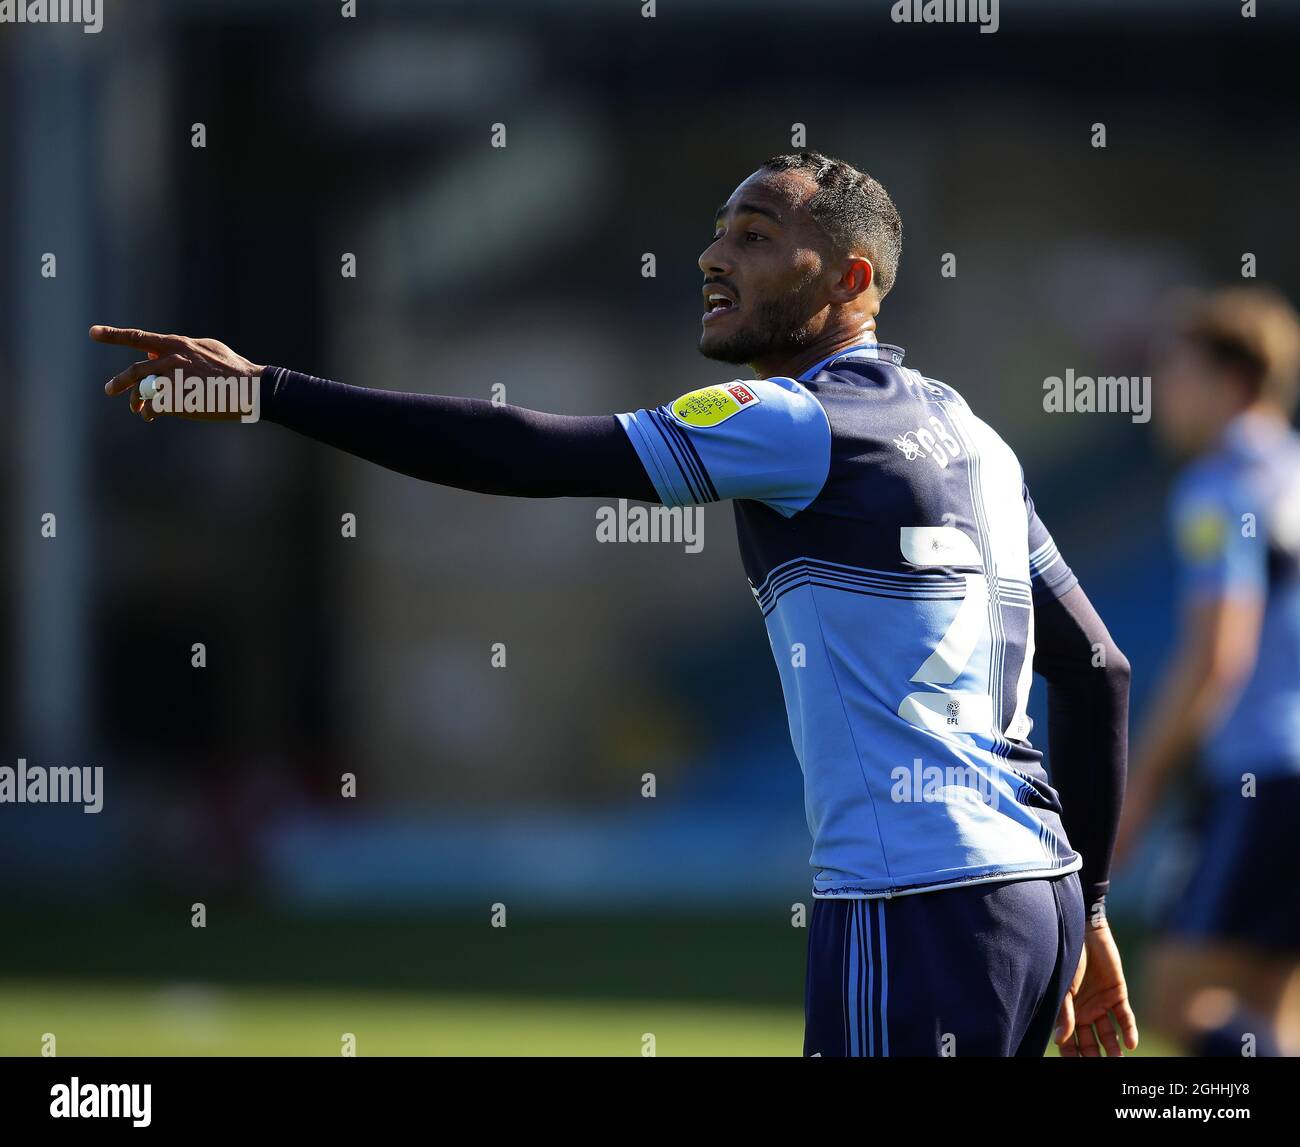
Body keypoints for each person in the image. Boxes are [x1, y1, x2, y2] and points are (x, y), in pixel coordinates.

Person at [93, 149, 1135, 1057]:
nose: (714, 255)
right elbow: (1096, 667)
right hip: (1028, 890)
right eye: (718, 230)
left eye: (757, 234)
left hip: (914, 894)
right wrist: (1085, 908)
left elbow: (524, 450)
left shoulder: (796, 418)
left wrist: (270, 389)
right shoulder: (976, 439)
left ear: (851, 279)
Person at [1115, 286, 1300, 1057]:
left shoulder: (1218, 487)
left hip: (1262, 772)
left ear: (1230, 383)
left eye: (1177, 375)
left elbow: (1218, 650)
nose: (1162, 396)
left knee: (1183, 1002)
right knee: (1270, 1010)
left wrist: (1143, 783)